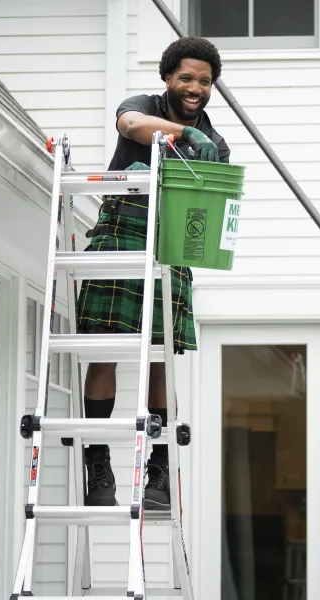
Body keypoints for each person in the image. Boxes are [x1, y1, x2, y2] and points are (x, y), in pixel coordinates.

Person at [74, 36, 230, 510]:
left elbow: (211, 205)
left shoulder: (216, 143)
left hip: (171, 240)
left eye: (204, 82)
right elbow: (130, 123)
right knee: (105, 352)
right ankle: (98, 464)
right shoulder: (145, 106)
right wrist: (183, 135)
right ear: (168, 78)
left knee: (161, 356)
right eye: (186, 78)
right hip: (123, 225)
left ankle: (157, 473)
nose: (195, 88)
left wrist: (207, 151)